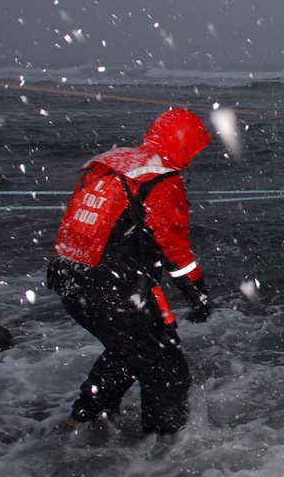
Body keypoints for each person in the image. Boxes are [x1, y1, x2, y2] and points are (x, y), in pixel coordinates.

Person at [47, 109, 213, 435]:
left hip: (71, 279)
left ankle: (84, 418)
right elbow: (174, 250)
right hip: (111, 289)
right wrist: (198, 294)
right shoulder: (162, 181)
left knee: (130, 350)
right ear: (186, 146)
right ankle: (162, 454)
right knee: (165, 368)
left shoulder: (112, 163)